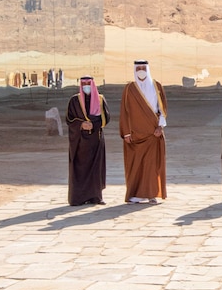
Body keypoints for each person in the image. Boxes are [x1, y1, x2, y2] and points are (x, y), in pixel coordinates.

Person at [120, 60, 168, 204]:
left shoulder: (156, 86)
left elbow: (162, 109)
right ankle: (136, 194)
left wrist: (160, 127)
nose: (141, 70)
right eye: (138, 68)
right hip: (135, 136)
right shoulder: (129, 88)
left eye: (143, 68)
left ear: (147, 69)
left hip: (153, 133)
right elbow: (124, 112)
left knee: (152, 165)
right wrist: (126, 133)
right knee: (136, 165)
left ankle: (152, 193)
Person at [66, 76, 111, 206]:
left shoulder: (100, 100)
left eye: (88, 83)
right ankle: (78, 198)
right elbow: (69, 119)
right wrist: (81, 124)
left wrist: (93, 125)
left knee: (96, 168)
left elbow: (106, 118)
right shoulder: (74, 100)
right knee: (80, 169)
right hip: (80, 142)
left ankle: (96, 196)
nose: (86, 86)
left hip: (95, 140)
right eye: (83, 83)